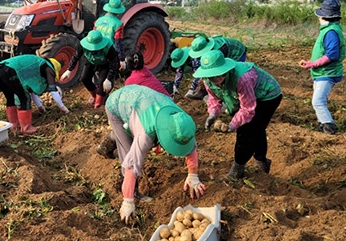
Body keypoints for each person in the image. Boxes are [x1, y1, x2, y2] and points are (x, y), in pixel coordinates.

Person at [105, 84, 206, 225]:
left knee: (128, 134)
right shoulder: (145, 134)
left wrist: (193, 175)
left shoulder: (180, 119)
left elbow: (190, 144)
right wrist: (127, 200)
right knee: (129, 150)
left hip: (142, 102)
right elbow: (131, 165)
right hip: (118, 103)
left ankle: (111, 140)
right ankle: (134, 192)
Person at [194, 50, 282, 179]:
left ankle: (237, 169)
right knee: (257, 129)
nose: (217, 79)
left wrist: (232, 125)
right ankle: (262, 161)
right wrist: (212, 114)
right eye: (212, 76)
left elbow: (247, 109)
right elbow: (214, 99)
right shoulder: (208, 81)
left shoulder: (242, 78)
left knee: (246, 131)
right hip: (247, 97)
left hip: (267, 96)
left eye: (219, 74)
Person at [96, 51, 171, 159]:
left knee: (125, 129)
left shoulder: (131, 81)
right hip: (164, 108)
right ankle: (105, 147)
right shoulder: (148, 74)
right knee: (126, 130)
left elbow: (128, 105)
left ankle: (107, 149)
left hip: (152, 112)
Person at [299, 0, 345, 135]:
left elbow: (332, 55)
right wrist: (311, 63)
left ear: (324, 16)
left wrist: (312, 64)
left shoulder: (330, 32)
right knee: (320, 100)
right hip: (321, 72)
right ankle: (322, 125)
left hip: (327, 72)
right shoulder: (330, 30)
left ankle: (329, 127)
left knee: (317, 101)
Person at [0, 55, 69, 135]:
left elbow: (31, 90)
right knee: (25, 98)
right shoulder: (48, 69)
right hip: (9, 71)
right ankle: (26, 128)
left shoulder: (36, 64)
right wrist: (63, 107)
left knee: (10, 98)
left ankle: (14, 126)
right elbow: (53, 90)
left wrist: (40, 107)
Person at [61, 30, 118, 108]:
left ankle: (98, 104)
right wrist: (69, 70)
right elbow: (76, 57)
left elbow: (114, 63)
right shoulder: (82, 45)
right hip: (90, 62)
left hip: (104, 64)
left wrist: (109, 78)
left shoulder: (109, 47)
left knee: (102, 83)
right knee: (84, 78)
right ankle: (94, 97)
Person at [186, 35, 248, 99]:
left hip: (237, 52)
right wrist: (194, 86)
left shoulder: (220, 49)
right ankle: (204, 92)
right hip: (226, 52)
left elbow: (221, 68)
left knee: (229, 75)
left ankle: (231, 96)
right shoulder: (208, 50)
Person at [94, 0, 126, 70]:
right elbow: (118, 42)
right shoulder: (118, 24)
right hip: (110, 53)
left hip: (98, 51)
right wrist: (122, 59)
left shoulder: (98, 21)